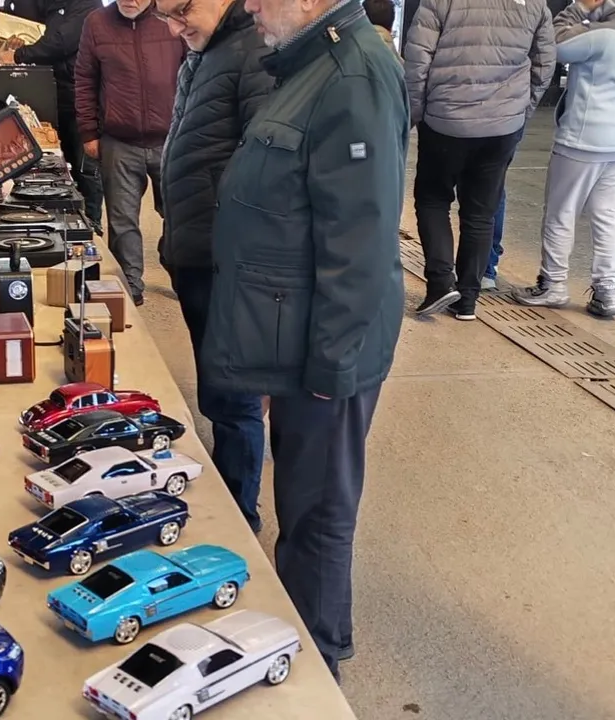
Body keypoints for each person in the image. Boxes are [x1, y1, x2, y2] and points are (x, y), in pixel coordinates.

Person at [204, 0, 407, 679]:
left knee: (317, 513)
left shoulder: (353, 78)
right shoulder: (310, 66)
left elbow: (361, 246)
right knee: (299, 499)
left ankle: (317, 667)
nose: (250, 5)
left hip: (327, 353)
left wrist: (331, 367)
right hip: (300, 342)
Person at [155, 0, 274, 534]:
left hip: (224, 258)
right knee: (218, 387)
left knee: (234, 396)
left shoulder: (253, 53)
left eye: (181, 11)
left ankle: (240, 519)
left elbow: (264, 169)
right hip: (196, 247)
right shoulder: (207, 49)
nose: (173, 28)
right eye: (165, 17)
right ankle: (232, 501)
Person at [404, 0, 555, 321]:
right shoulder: (535, 3)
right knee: (481, 213)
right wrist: (520, 112)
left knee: (432, 199)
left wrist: (415, 114)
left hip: (445, 121)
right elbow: (544, 65)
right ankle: (468, 300)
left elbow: (417, 60)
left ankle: (440, 283)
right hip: (502, 127)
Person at [512, 0, 615, 317]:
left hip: (583, 140)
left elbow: (553, 43)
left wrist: (578, 8)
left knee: (561, 212)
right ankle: (607, 291)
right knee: (609, 215)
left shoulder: (599, 36)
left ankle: (553, 284)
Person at [74, 0, 184, 306]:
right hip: (119, 139)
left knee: (180, 216)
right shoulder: (96, 22)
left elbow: (194, 71)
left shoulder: (172, 17)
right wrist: (89, 132)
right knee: (122, 221)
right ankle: (130, 284)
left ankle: (177, 267)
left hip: (171, 138)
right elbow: (84, 79)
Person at [1, 0, 105, 230]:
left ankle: (91, 222)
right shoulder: (53, 4)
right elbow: (33, 25)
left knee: (85, 166)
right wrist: (19, 37)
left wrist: (20, 55)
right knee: (58, 164)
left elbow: (61, 41)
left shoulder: (87, 4)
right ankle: (67, 221)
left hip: (81, 95)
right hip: (54, 90)